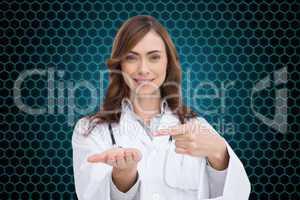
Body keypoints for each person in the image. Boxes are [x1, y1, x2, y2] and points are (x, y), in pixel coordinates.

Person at [72, 15, 251, 200]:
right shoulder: (89, 130)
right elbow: (90, 195)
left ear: (168, 62)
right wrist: (122, 177)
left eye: (154, 57)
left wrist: (220, 154)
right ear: (120, 64)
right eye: (132, 58)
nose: (143, 69)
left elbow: (236, 195)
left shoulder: (197, 127)